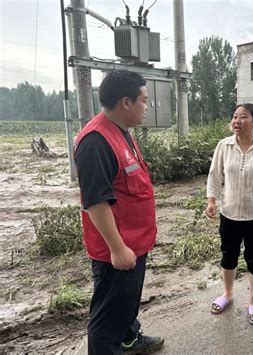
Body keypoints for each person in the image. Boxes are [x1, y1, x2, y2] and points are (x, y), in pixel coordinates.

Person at [74, 69, 164, 354]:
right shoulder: (95, 141)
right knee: (107, 322)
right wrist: (117, 248)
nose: (147, 106)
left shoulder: (121, 132)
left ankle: (130, 338)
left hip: (135, 242)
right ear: (126, 102)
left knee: (127, 303)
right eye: (144, 100)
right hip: (118, 251)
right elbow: (95, 202)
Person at [205, 103, 253, 325]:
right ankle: (227, 294)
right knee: (228, 256)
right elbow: (214, 175)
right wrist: (211, 200)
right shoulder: (224, 145)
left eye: (243, 117)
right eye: (235, 117)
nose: (237, 121)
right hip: (228, 213)